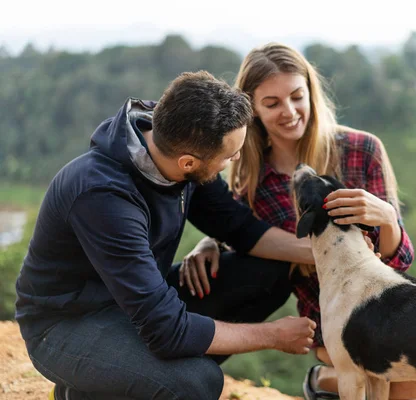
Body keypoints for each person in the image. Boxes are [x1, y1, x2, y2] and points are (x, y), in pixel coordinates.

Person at [14, 70, 320, 400]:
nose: (232, 162)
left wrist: (327, 253)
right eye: (229, 156)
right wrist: (272, 335)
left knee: (269, 271)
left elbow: (239, 227)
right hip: (66, 325)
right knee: (197, 382)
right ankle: (100, 385)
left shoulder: (179, 139)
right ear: (188, 163)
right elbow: (166, 329)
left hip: (136, 304)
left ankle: (116, 382)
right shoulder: (102, 196)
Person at [180, 43, 416, 400]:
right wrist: (210, 241)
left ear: (311, 93)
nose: (288, 112)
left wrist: (386, 218)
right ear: (253, 110)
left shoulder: (361, 149)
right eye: (272, 103)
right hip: (328, 318)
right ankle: (324, 377)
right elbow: (247, 241)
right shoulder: (250, 179)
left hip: (386, 306)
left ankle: (321, 381)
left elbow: (398, 262)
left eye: (296, 96)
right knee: (400, 386)